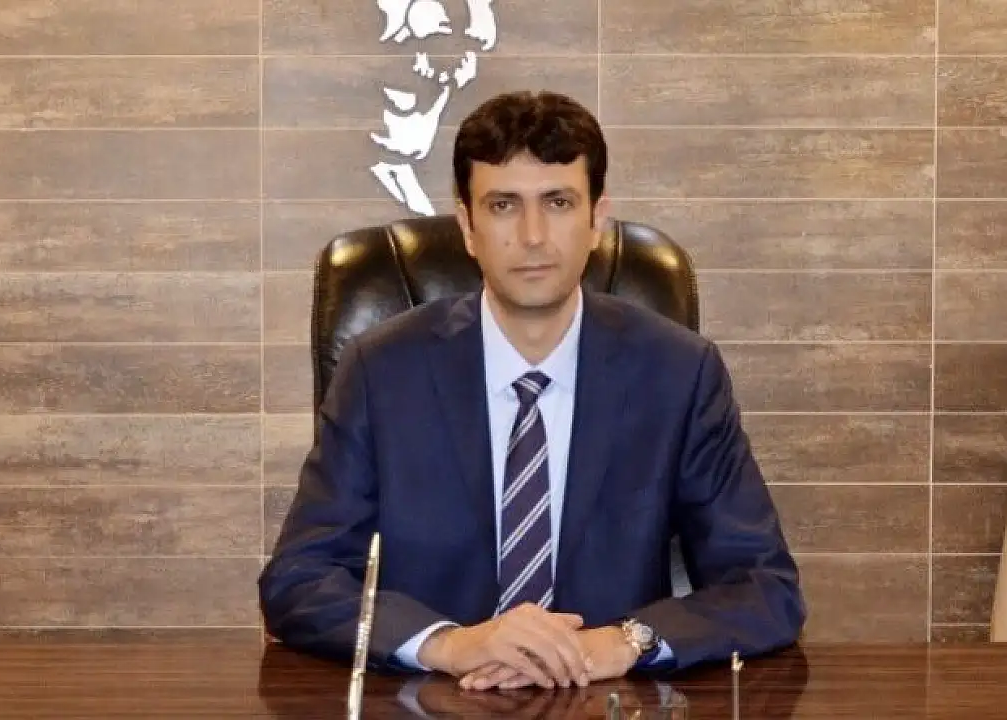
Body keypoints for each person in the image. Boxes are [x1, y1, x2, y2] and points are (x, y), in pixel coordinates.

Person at [257, 89, 806, 692]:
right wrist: (449, 643)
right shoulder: (382, 371)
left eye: (558, 202)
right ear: (467, 226)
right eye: (503, 205)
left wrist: (624, 642)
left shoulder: (678, 373)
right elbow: (299, 579)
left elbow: (764, 587)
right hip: (434, 700)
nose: (534, 235)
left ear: (597, 219)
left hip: (604, 699)